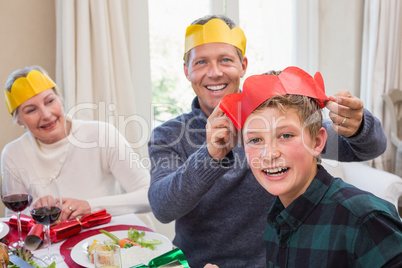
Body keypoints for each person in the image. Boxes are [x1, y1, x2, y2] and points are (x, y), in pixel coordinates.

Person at [148, 15, 387, 267]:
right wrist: (210, 156)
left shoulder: (272, 116)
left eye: (226, 60)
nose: (215, 72)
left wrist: (357, 125)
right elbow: (163, 208)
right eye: (201, 62)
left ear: (243, 65)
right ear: (187, 70)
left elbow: (368, 148)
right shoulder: (169, 134)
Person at [204, 66, 402, 267]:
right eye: (255, 139)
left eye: (286, 135)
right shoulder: (278, 217)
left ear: (317, 142)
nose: (269, 154)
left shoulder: (365, 219)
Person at [1, 65, 151, 221]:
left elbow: (149, 196)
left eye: (50, 101)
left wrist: (89, 206)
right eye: (31, 110)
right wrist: (33, 210)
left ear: (60, 99)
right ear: (19, 121)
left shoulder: (101, 134)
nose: (46, 115)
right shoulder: (13, 153)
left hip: (106, 240)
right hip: (52, 244)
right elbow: (15, 220)